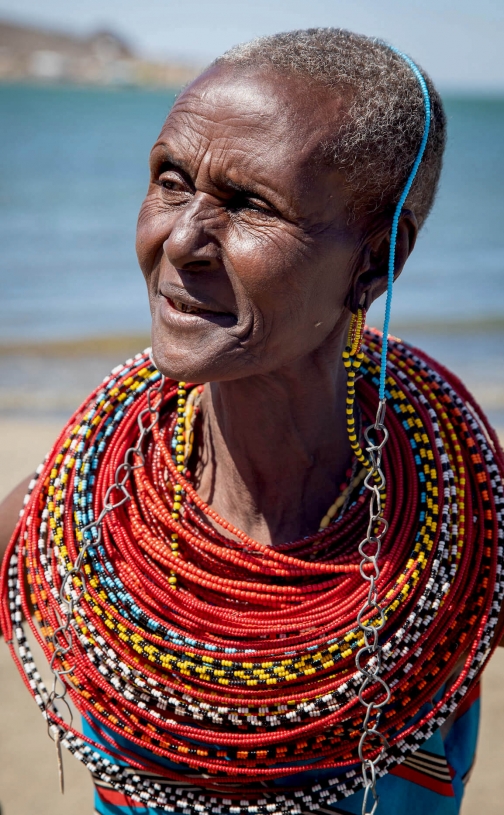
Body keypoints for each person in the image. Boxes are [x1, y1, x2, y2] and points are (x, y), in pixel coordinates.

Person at [1, 28, 503, 815]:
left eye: (248, 203)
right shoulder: (61, 525)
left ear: (374, 263)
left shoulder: (471, 522)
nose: (181, 239)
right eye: (171, 180)